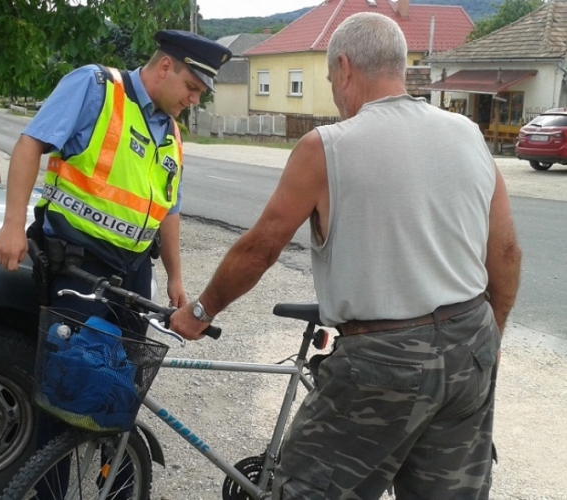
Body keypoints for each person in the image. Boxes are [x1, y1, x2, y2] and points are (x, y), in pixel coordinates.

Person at [171, 12, 521, 500]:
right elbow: (503, 252)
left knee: (308, 489)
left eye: (332, 78)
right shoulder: (467, 135)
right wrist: (493, 336)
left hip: (384, 358)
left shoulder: (327, 147)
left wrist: (201, 310)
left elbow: (261, 247)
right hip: (471, 340)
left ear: (346, 67)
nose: (335, 91)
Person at [0, 29, 231, 498]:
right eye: (191, 88)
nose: (193, 100)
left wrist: (177, 276)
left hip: (134, 272)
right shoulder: (97, 88)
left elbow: (170, 210)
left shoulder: (172, 133)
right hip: (78, 262)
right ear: (166, 66)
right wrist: (13, 225)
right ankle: (49, 490)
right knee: (70, 384)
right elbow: (29, 144)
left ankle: (115, 486)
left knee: (120, 387)